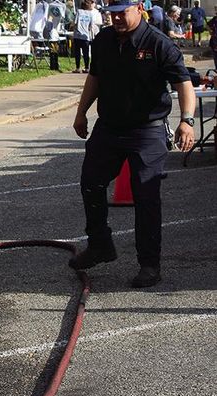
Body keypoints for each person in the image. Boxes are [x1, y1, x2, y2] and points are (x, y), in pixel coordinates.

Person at [70, 0, 196, 288]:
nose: (116, 18)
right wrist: (81, 114)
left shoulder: (158, 43)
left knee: (146, 195)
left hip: (146, 131)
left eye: (122, 13)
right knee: (91, 181)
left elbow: (183, 83)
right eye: (112, 13)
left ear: (139, 8)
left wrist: (186, 121)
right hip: (109, 128)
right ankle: (100, 244)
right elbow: (95, 77)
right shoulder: (103, 40)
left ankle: (149, 264)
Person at [72, 0, 95, 73]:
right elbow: (91, 26)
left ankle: (78, 68)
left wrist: (72, 27)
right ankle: (87, 67)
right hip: (86, 36)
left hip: (77, 35)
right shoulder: (91, 14)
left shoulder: (78, 12)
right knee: (86, 52)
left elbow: (75, 23)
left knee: (77, 53)